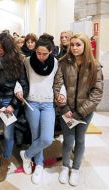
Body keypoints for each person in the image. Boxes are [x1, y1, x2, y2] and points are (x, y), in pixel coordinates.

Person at [53, 33, 103, 186]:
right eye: (72, 44)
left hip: (84, 112)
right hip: (67, 111)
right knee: (68, 140)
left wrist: (80, 112)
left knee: (80, 140)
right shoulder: (63, 63)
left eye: (78, 45)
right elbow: (57, 86)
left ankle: (75, 169)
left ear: (85, 46)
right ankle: (65, 166)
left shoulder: (95, 65)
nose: (74, 48)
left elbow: (97, 93)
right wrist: (64, 106)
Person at [0, 32, 29, 182]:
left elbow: (24, 86)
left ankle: (5, 161)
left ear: (9, 48)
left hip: (10, 101)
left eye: (2, 48)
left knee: (9, 135)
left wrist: (13, 104)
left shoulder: (17, 61)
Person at [17, 34, 58, 184]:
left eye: (44, 54)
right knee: (36, 136)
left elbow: (59, 83)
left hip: (48, 103)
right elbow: (21, 80)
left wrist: (62, 95)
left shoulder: (55, 62)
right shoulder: (27, 62)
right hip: (31, 103)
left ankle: (27, 155)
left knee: (47, 138)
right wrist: (18, 90)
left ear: (51, 52)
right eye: (38, 53)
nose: (41, 56)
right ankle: (39, 164)